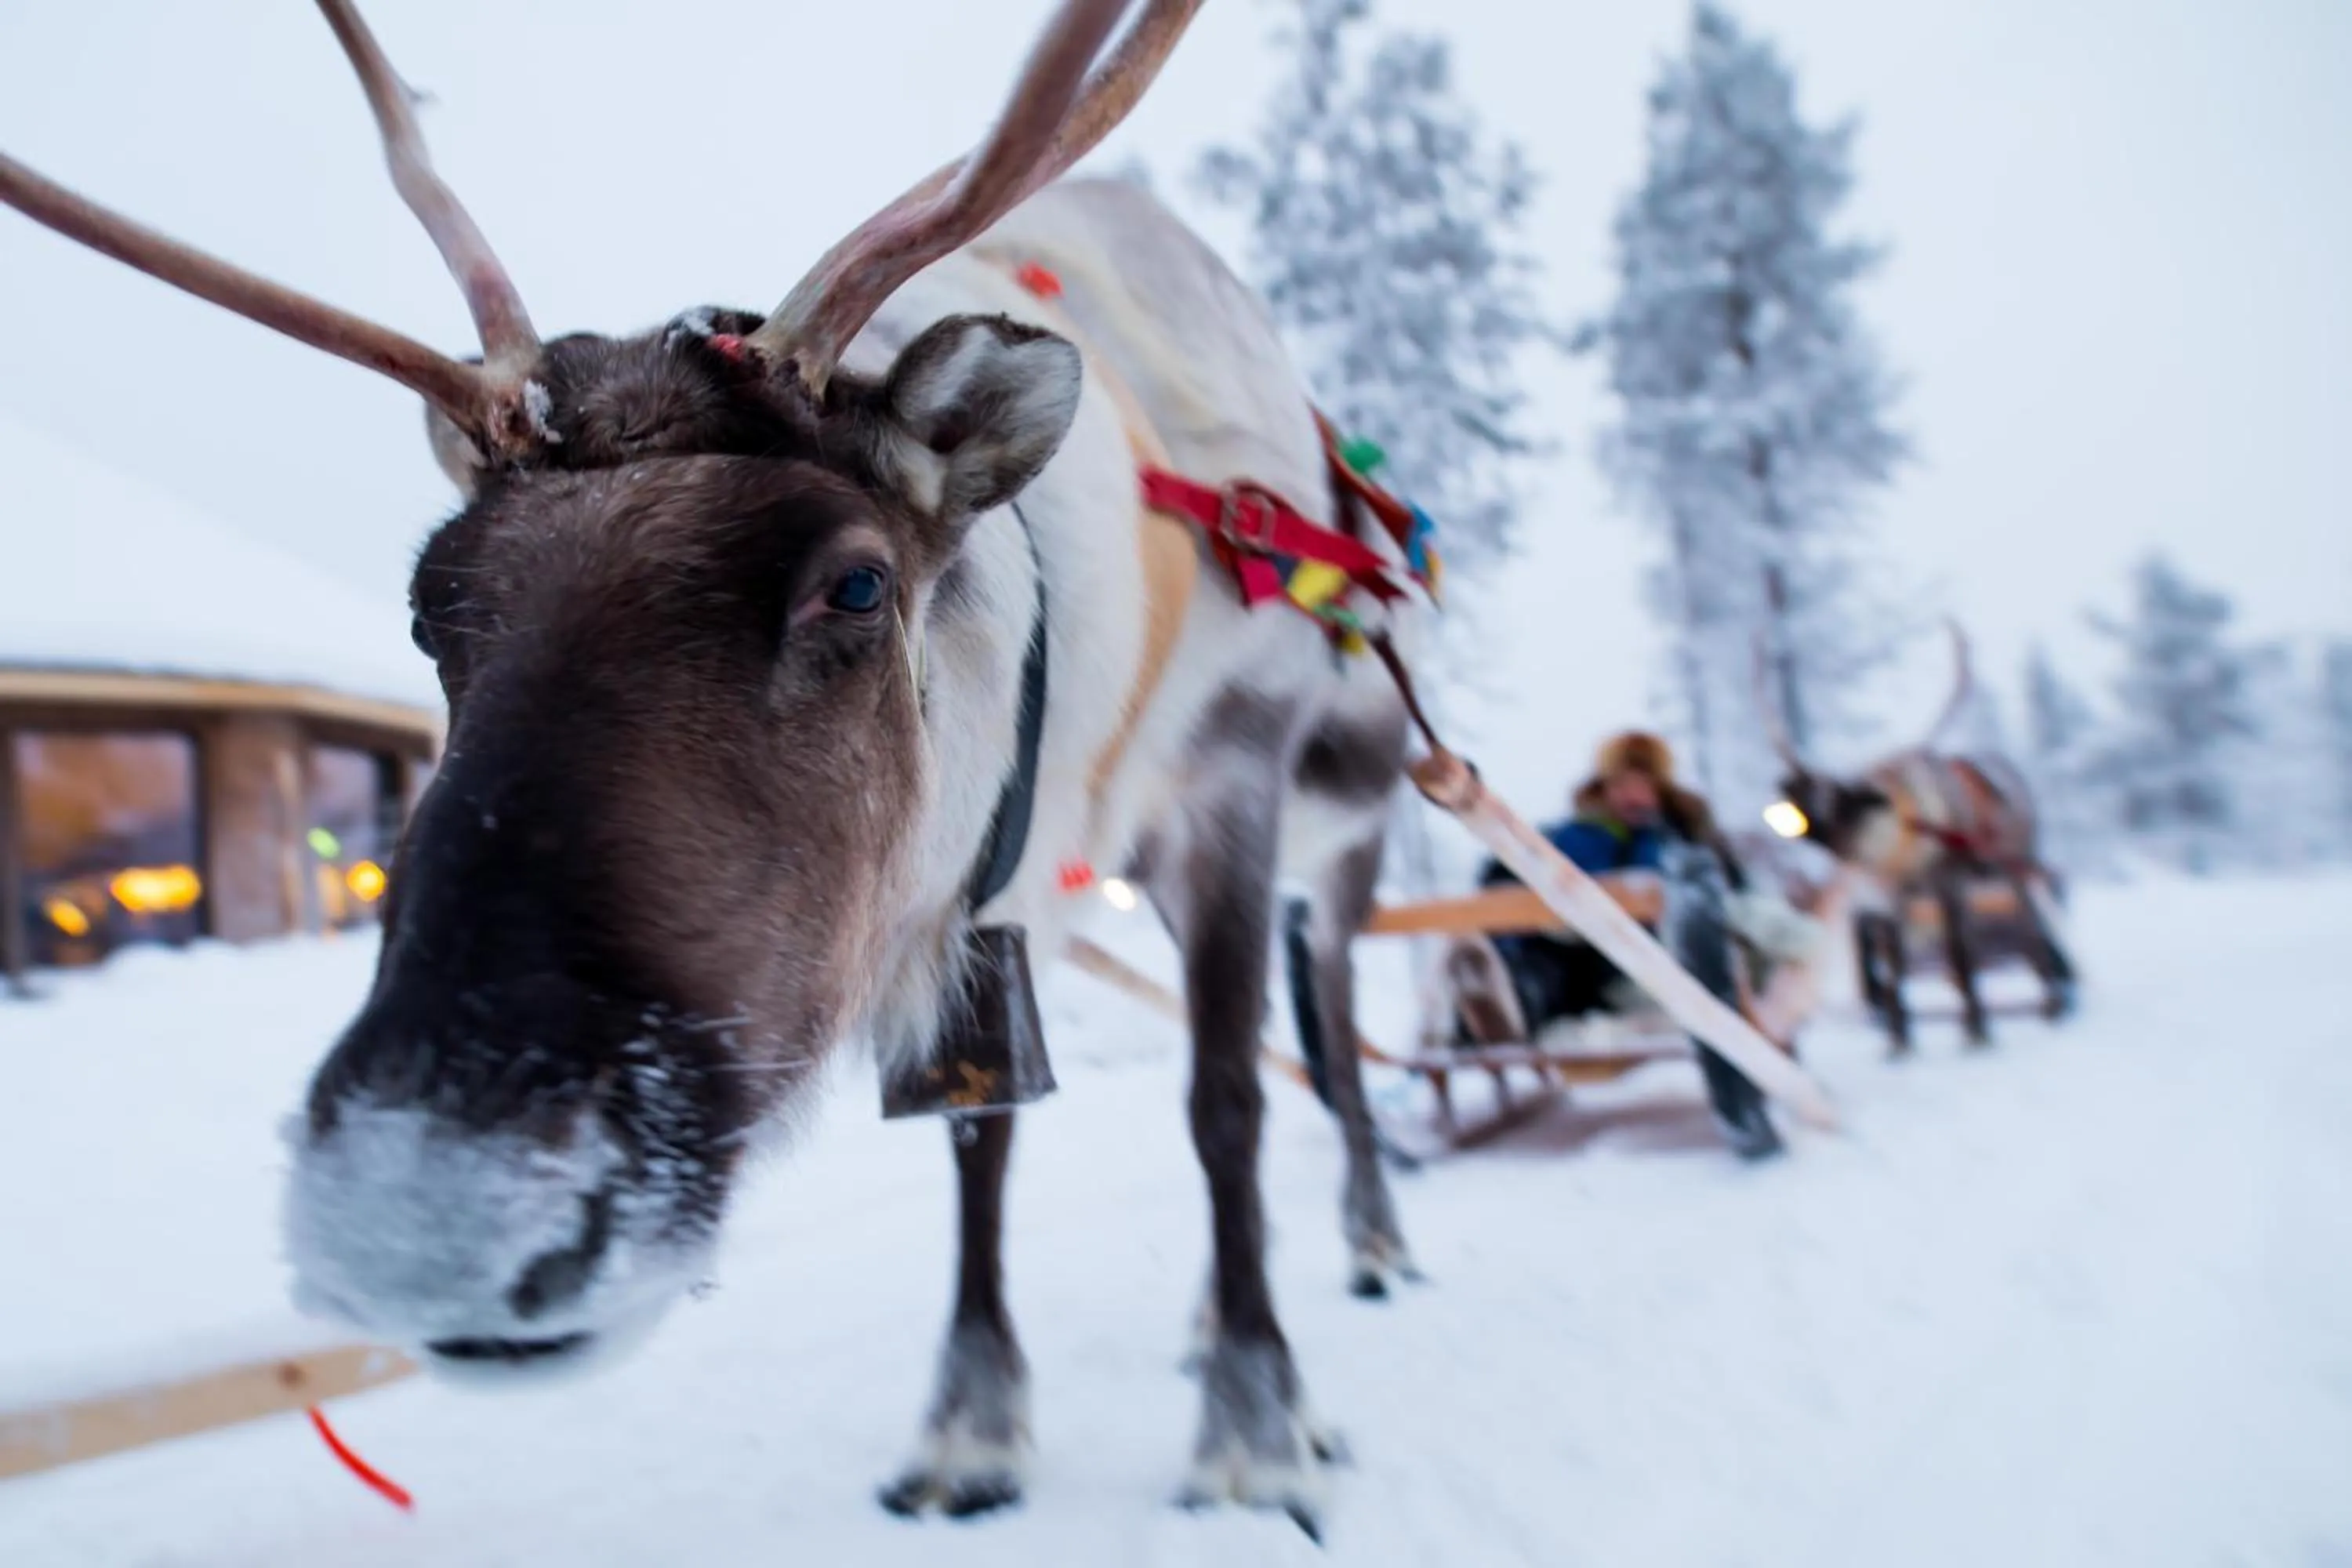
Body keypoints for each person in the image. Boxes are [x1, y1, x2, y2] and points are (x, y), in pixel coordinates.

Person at [1446, 730, 1786, 1160]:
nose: (1634, 796)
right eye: (1623, 785)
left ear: (1660, 791)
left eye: (1643, 785)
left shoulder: (1682, 842)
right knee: (1539, 954)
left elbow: (1731, 896)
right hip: (1580, 960)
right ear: (1604, 789)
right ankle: (1498, 1005)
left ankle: (1510, 1005)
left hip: (1661, 961)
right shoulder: (1569, 836)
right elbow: (1503, 886)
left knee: (1698, 937)